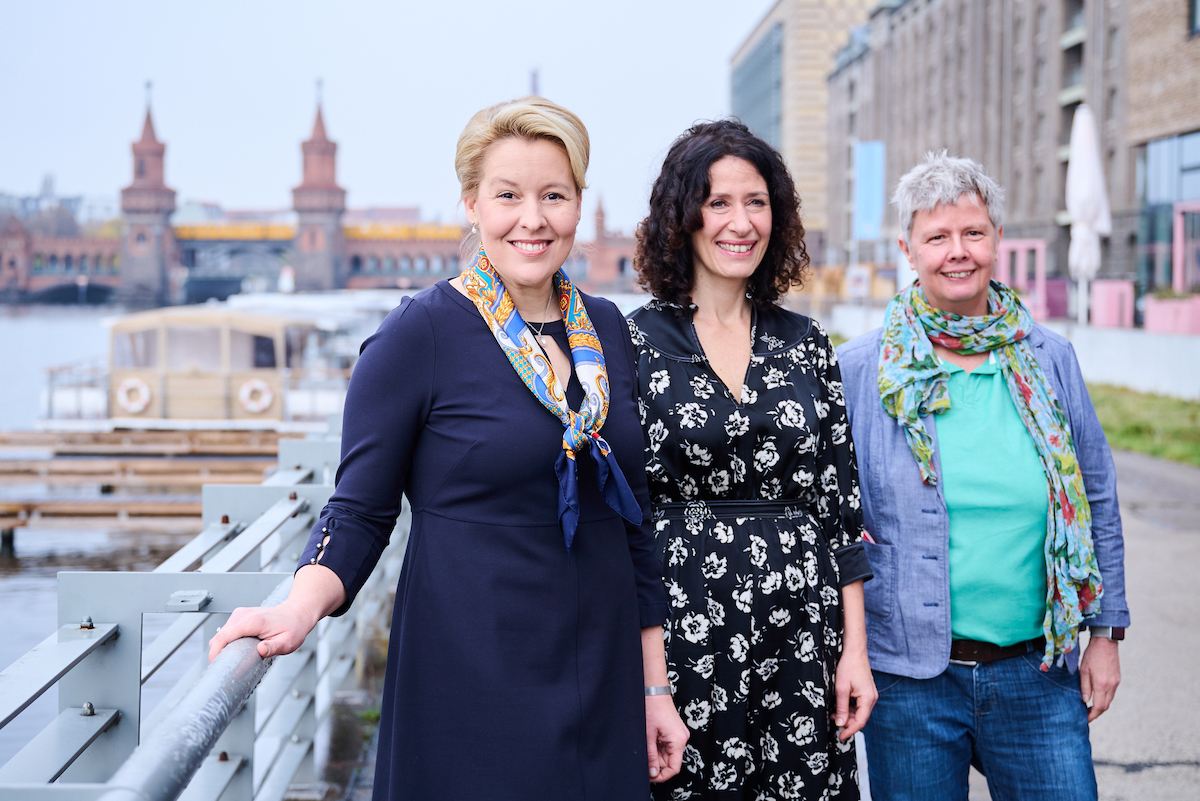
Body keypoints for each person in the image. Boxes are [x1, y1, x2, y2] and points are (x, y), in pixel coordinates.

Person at [208, 96, 688, 799]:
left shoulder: (610, 329)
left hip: (599, 673)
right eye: (508, 195)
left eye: (554, 195)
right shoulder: (419, 334)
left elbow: (635, 521)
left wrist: (654, 686)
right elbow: (361, 510)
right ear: (471, 204)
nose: (533, 218)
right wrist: (296, 608)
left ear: (579, 205)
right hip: (469, 667)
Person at [837, 152, 1128, 801]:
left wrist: (1104, 633)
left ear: (997, 240)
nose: (957, 252)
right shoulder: (861, 368)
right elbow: (830, 516)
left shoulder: (1050, 359)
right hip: (910, 679)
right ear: (908, 249)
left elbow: (1098, 496)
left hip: (1040, 666)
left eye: (972, 232)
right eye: (937, 236)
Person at [627, 119, 876, 800]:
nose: (741, 222)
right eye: (718, 202)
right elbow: (630, 523)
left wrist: (854, 651)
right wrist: (651, 682)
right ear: (683, 217)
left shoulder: (806, 343)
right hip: (685, 634)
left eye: (757, 201)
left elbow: (839, 508)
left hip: (802, 634)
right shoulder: (632, 345)